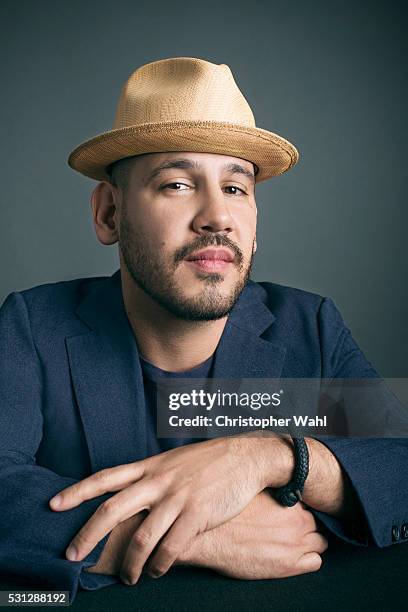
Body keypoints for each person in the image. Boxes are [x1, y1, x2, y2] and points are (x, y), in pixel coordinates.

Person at [1, 57, 407, 603]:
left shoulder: (308, 327)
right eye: (176, 184)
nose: (217, 216)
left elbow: (398, 459)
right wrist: (184, 537)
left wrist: (270, 457)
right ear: (109, 215)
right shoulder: (33, 326)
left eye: (237, 189)